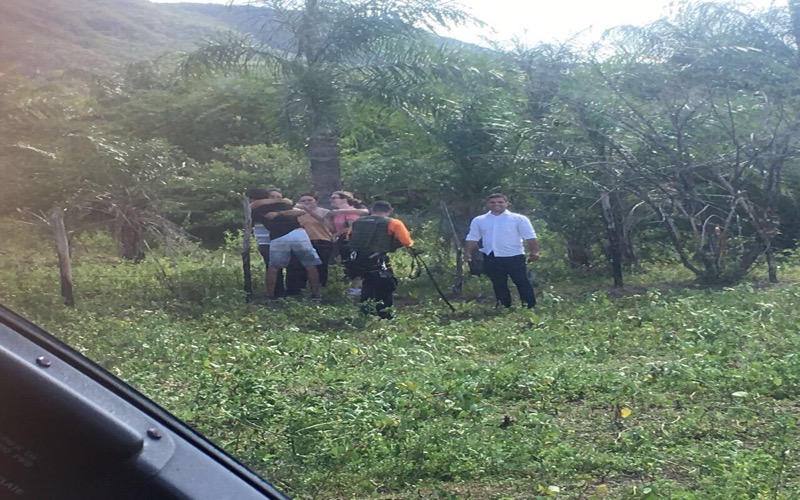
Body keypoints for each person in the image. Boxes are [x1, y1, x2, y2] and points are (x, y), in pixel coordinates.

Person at [463, 193, 539, 309]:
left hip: (514, 256)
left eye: (500, 202)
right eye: (493, 202)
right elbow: (473, 237)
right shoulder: (479, 220)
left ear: (507, 203)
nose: (496, 204)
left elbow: (529, 236)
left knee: (521, 281)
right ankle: (503, 305)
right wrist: (467, 252)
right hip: (492, 256)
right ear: (488, 204)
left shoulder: (518, 219)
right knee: (498, 283)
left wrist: (534, 252)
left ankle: (529, 305)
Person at [250, 188, 323, 300]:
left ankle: (270, 296)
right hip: (293, 234)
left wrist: (278, 213)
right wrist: (282, 203)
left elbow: (300, 211)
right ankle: (315, 294)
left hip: (284, 235)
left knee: (274, 267)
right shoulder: (276, 203)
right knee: (309, 264)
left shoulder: (269, 205)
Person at [347, 200, 414, 319]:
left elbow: (348, 238)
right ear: (390, 210)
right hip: (378, 260)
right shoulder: (393, 222)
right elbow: (406, 241)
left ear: (372, 210)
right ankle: (385, 314)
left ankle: (365, 312)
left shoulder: (358, 221)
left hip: (357, 260)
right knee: (386, 286)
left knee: (367, 285)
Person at [285, 193, 334, 291]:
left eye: (309, 200)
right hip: (301, 242)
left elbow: (331, 228)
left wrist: (309, 211)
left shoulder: (324, 212)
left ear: (316, 201)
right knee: (297, 267)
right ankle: (296, 291)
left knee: (321, 267)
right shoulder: (295, 213)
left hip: (321, 241)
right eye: (303, 201)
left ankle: (321, 289)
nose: (306, 202)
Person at [326, 191, 369, 296]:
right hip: (342, 241)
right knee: (346, 263)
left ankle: (358, 287)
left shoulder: (351, 211)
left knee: (354, 262)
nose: (331, 200)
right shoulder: (337, 213)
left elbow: (351, 226)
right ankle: (353, 286)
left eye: (334, 198)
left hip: (351, 240)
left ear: (344, 199)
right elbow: (333, 228)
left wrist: (336, 234)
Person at [246, 188, 285, 297]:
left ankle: (278, 292)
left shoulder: (274, 208)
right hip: (265, 242)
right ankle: (276, 293)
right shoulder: (258, 208)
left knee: (275, 267)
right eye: (273, 197)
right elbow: (253, 205)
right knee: (273, 266)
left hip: (276, 239)